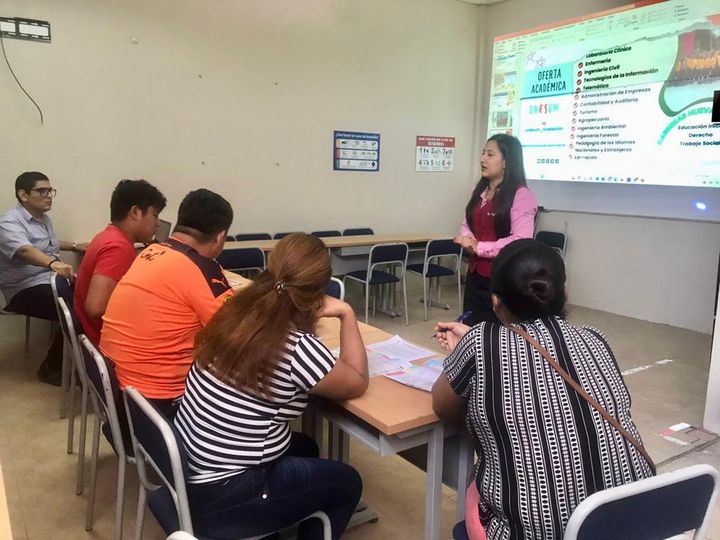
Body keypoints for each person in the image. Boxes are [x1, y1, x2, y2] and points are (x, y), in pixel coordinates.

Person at [432, 239, 654, 540]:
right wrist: (472, 348)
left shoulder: (481, 343)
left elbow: (442, 407)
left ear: (495, 301)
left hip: (537, 534)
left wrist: (464, 354)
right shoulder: (596, 338)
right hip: (632, 525)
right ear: (564, 294)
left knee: (474, 487)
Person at [174, 233, 368, 540]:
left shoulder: (235, 313)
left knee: (307, 447)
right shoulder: (298, 347)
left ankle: (272, 527)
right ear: (318, 293)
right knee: (348, 483)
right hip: (229, 490)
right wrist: (347, 313)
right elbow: (357, 380)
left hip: (190, 465)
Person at [100, 188, 233, 418]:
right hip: (158, 405)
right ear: (220, 236)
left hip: (119, 395)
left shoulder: (151, 251)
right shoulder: (200, 267)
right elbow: (240, 333)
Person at [0, 171, 87, 385]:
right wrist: (53, 263)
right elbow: (25, 250)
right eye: (42, 191)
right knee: (77, 308)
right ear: (23, 195)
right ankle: (52, 368)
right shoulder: (8, 222)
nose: (48, 196)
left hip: (48, 281)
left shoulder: (43, 219)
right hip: (23, 290)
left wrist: (75, 246)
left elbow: (49, 244)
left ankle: (79, 362)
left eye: (50, 191)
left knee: (89, 296)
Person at [455, 134, 537, 326]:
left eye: (490, 154)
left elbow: (521, 241)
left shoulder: (521, 195)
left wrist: (480, 247)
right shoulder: (480, 190)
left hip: (502, 278)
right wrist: (467, 239)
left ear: (506, 161)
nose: (483, 159)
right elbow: (467, 223)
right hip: (475, 275)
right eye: (483, 153)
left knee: (496, 333)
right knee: (471, 328)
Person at [74, 179, 167, 345]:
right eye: (155, 215)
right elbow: (95, 308)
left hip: (88, 334)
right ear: (135, 212)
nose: (158, 223)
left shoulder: (107, 236)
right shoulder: (118, 248)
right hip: (101, 341)